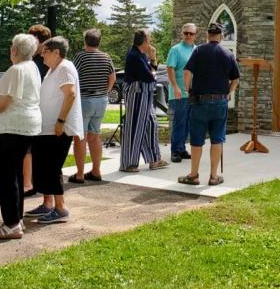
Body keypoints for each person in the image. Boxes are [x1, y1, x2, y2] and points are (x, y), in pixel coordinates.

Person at [0, 33, 42, 241]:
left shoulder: (16, 70)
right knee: (15, 173)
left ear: (15, 50)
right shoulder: (32, 67)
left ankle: (11, 223)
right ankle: (15, 219)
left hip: (12, 127)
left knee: (4, 175)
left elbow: (2, 104)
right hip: (27, 126)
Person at [25, 37, 83, 225]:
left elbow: (70, 94)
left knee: (52, 167)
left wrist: (60, 121)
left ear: (56, 52)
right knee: (43, 166)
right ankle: (48, 203)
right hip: (47, 129)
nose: (42, 55)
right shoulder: (54, 69)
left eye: (45, 51)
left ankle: (60, 208)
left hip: (58, 129)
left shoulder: (64, 68)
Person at [178, 21, 240, 187]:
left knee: (197, 140)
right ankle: (213, 176)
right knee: (217, 139)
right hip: (220, 102)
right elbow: (236, 79)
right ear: (221, 36)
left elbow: (186, 71)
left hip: (200, 101)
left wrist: (187, 89)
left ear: (207, 35)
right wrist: (228, 93)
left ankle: (193, 175)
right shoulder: (227, 53)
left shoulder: (198, 51)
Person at [120, 29, 169, 173]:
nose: (151, 42)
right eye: (150, 39)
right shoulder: (134, 56)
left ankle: (154, 159)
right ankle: (129, 163)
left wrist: (153, 59)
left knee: (151, 125)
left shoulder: (141, 55)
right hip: (137, 96)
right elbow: (149, 76)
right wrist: (153, 66)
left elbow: (151, 72)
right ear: (145, 41)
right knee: (135, 128)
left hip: (145, 96)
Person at [70, 28, 115, 182]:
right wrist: (106, 91)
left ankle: (80, 174)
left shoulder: (80, 57)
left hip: (85, 99)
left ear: (85, 41)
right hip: (101, 99)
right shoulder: (106, 57)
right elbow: (112, 77)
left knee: (80, 137)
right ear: (99, 41)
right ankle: (96, 171)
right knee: (95, 136)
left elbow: (73, 75)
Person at [22, 24, 51, 197]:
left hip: (39, 109)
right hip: (38, 108)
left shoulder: (40, 62)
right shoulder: (39, 60)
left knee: (30, 149)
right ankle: (32, 182)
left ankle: (29, 183)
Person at [165, 23, 197, 163]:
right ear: (182, 34)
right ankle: (175, 151)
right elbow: (170, 68)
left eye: (191, 33)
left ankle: (182, 148)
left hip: (193, 93)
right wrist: (175, 87)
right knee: (179, 122)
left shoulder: (197, 50)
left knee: (189, 123)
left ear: (195, 35)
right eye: (186, 33)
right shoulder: (176, 50)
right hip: (179, 93)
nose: (188, 36)